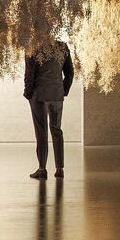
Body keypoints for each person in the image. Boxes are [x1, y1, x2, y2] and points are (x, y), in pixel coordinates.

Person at [24, 39, 74, 180]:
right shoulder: (62, 47)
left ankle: (42, 169)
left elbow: (29, 74)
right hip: (57, 95)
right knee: (56, 130)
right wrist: (63, 91)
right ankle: (59, 168)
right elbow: (70, 73)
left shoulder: (33, 46)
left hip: (39, 95)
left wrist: (28, 93)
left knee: (41, 131)